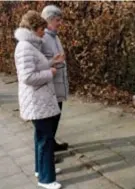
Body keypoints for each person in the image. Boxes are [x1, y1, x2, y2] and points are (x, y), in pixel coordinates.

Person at [14, 10, 65, 189]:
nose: (44, 33)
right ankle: (46, 179)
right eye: (42, 29)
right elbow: (27, 77)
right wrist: (49, 73)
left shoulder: (29, 45)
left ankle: (41, 170)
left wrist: (51, 63)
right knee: (45, 139)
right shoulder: (25, 47)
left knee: (41, 137)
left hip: (39, 100)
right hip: (37, 101)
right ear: (34, 28)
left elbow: (36, 67)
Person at [41, 5, 69, 155]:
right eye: (57, 20)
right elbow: (39, 62)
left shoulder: (54, 36)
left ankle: (52, 143)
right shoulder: (42, 38)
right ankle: (48, 152)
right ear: (49, 20)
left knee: (56, 117)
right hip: (50, 86)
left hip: (58, 83)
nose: (60, 23)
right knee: (51, 120)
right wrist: (53, 61)